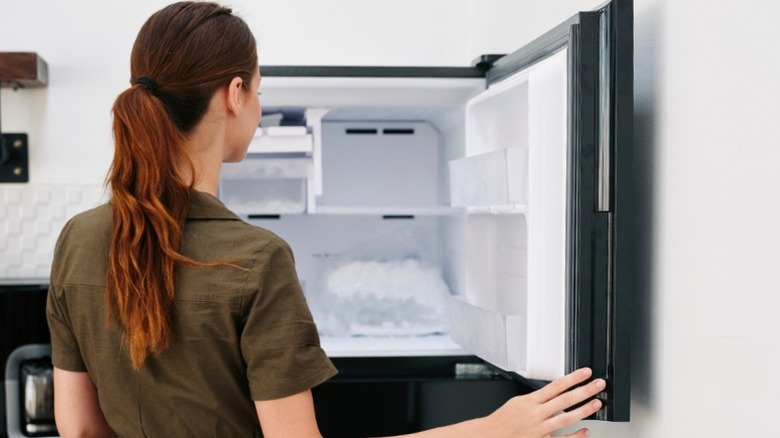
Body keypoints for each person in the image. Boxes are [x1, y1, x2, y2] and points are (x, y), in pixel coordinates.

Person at [46, 2, 606, 437]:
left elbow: (82, 428)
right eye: (259, 91)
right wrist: (491, 428)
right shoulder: (256, 259)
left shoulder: (77, 239)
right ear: (234, 95)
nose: (259, 107)